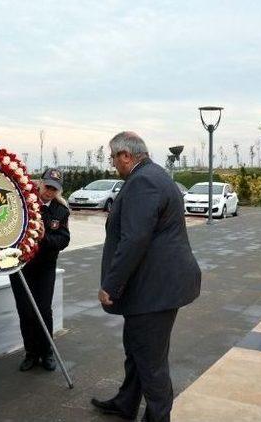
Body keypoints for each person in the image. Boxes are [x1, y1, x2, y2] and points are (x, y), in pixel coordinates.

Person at [91, 132, 201, 422]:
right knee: (136, 348)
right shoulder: (153, 175)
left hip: (154, 289)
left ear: (126, 155)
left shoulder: (143, 181)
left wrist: (111, 284)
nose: (112, 163)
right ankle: (126, 402)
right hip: (154, 286)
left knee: (151, 362)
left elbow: (134, 240)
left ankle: (159, 416)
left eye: (113, 157)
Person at [10, 168, 71, 372]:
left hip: (45, 267)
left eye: (54, 189)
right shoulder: (24, 204)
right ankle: (31, 353)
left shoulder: (60, 210)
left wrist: (44, 237)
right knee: (25, 311)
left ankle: (47, 352)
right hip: (22, 267)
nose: (49, 192)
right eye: (47, 187)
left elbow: (63, 239)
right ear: (40, 184)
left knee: (44, 310)